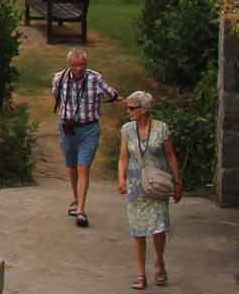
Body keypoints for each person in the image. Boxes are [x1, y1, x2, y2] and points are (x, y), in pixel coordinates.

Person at [118, 90, 181, 288]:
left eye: (131, 108)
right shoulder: (127, 130)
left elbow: (170, 155)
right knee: (137, 229)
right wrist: (120, 179)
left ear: (144, 110)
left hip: (157, 183)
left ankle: (159, 263)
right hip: (135, 183)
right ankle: (140, 274)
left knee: (158, 227)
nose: (128, 111)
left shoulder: (161, 129)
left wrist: (177, 181)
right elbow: (123, 157)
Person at [53, 48, 121, 229]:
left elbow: (111, 94)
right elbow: (56, 95)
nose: (79, 69)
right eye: (75, 65)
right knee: (71, 166)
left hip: (89, 128)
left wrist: (125, 101)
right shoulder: (59, 78)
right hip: (67, 128)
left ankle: (81, 210)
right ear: (69, 65)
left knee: (84, 167)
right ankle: (75, 199)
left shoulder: (95, 79)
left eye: (82, 65)